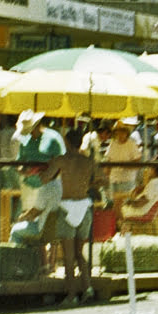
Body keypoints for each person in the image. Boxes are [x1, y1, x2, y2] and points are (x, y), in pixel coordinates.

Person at [37, 127, 98, 304]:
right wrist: (88, 183)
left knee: (69, 256)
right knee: (80, 253)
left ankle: (71, 295)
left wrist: (40, 172)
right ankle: (88, 289)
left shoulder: (61, 160)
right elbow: (102, 179)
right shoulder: (89, 161)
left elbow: (45, 178)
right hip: (84, 206)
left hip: (67, 208)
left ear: (67, 142)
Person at [103, 118, 144, 221]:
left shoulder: (131, 144)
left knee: (119, 204)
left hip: (127, 178)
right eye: (117, 132)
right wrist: (106, 175)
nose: (120, 134)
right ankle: (117, 225)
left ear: (126, 133)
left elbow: (137, 162)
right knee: (116, 204)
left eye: (122, 132)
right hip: (114, 178)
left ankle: (122, 225)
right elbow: (109, 160)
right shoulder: (113, 144)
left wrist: (125, 166)